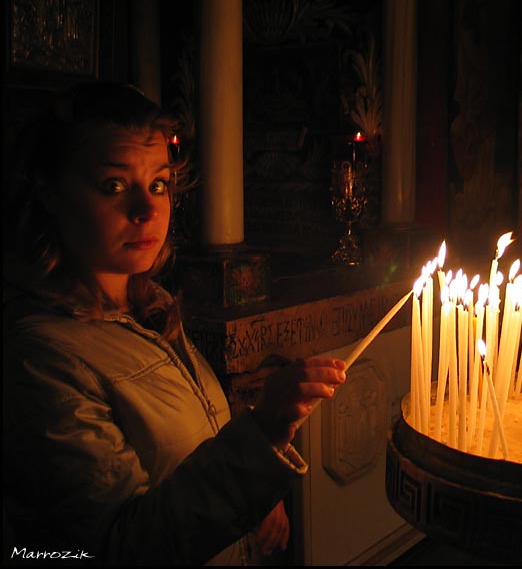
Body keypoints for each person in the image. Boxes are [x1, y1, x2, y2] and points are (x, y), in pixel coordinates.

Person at [2, 82, 347, 565]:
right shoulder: (41, 358)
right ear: (50, 194)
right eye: (114, 186)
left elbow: (197, 438)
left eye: (158, 184)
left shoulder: (151, 306)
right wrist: (263, 433)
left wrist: (257, 490)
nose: (147, 210)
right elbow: (119, 549)